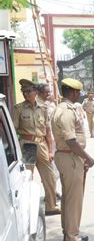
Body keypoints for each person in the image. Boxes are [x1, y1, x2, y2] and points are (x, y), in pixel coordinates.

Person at [51, 78, 94, 241]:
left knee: (69, 198)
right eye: (78, 92)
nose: (80, 94)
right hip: (70, 157)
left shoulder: (62, 108)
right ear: (74, 92)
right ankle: (71, 237)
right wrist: (87, 157)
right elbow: (71, 140)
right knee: (74, 199)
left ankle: (70, 231)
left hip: (68, 157)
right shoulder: (67, 111)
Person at [13, 79, 60, 216]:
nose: (26, 94)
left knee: (50, 176)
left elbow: (48, 131)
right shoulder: (18, 109)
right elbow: (13, 131)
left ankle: (51, 206)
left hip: (42, 145)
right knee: (27, 177)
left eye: (28, 91)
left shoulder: (43, 108)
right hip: (27, 146)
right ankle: (26, 209)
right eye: (23, 92)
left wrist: (51, 150)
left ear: (35, 92)